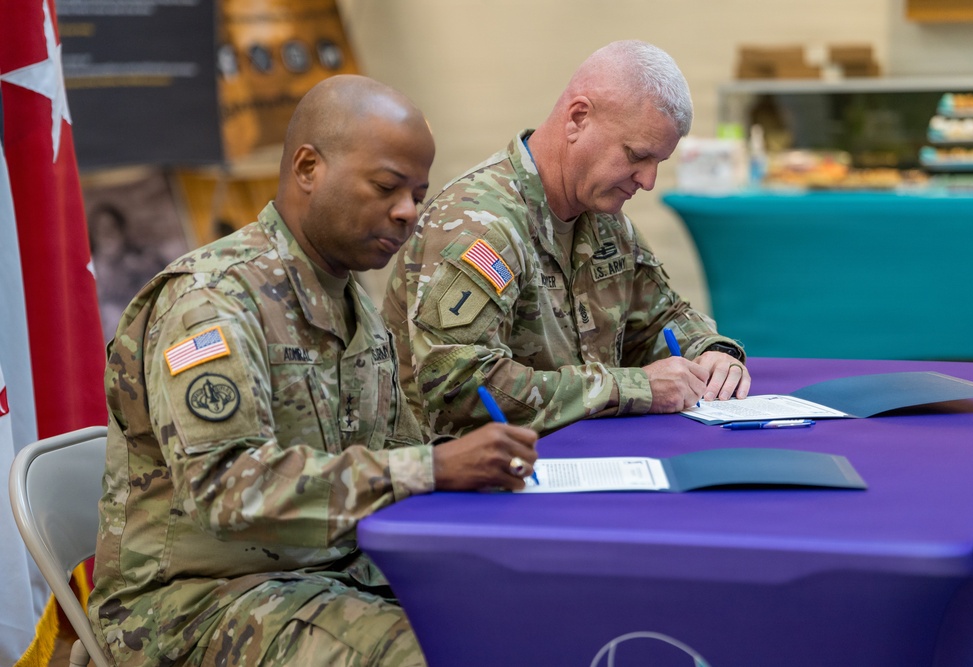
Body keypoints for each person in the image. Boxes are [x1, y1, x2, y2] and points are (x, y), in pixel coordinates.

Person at [88, 74, 538, 667]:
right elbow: (228, 490)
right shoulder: (212, 303)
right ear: (307, 168)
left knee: (526, 611)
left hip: (330, 571)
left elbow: (394, 451)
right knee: (434, 653)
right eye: (386, 186)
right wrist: (432, 468)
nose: (407, 212)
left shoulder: (354, 307)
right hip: (196, 606)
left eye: (419, 195)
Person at [383, 40, 751, 439]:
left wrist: (714, 352)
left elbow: (662, 319)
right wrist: (633, 388)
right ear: (578, 119)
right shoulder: (479, 224)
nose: (648, 181)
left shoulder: (604, 221)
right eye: (636, 156)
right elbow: (459, 388)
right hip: (468, 480)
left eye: (658, 163)